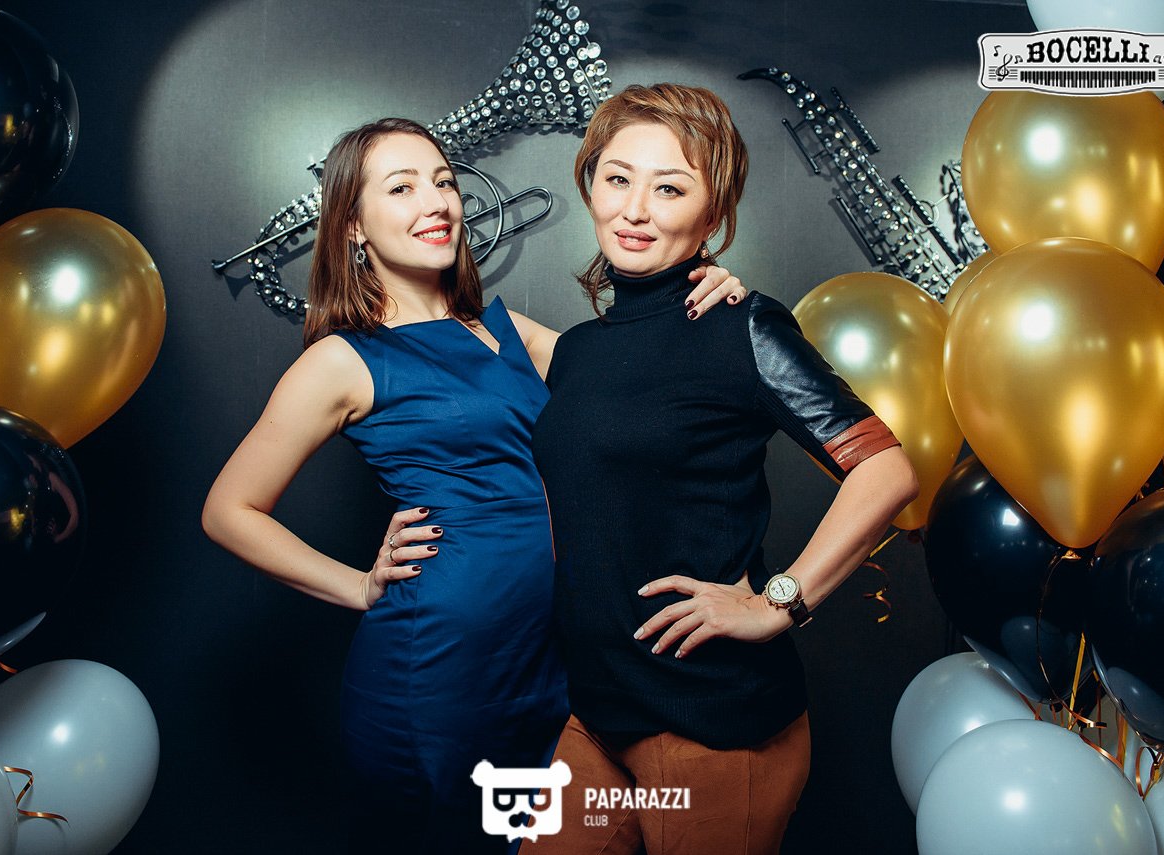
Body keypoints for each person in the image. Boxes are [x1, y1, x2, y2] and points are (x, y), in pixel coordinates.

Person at [200, 117, 746, 854]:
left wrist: (701, 286)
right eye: (402, 188)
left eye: (444, 182)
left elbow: (638, 376)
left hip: (549, 658)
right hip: (438, 669)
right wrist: (360, 585)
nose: (437, 202)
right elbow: (228, 510)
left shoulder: (505, 329)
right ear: (353, 225)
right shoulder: (343, 360)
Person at [522, 84, 921, 854]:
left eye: (670, 188)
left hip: (713, 722)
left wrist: (779, 603)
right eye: (618, 178)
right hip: (597, 712)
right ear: (591, 185)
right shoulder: (576, 351)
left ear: (713, 215)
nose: (635, 209)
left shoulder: (742, 325)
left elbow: (887, 471)